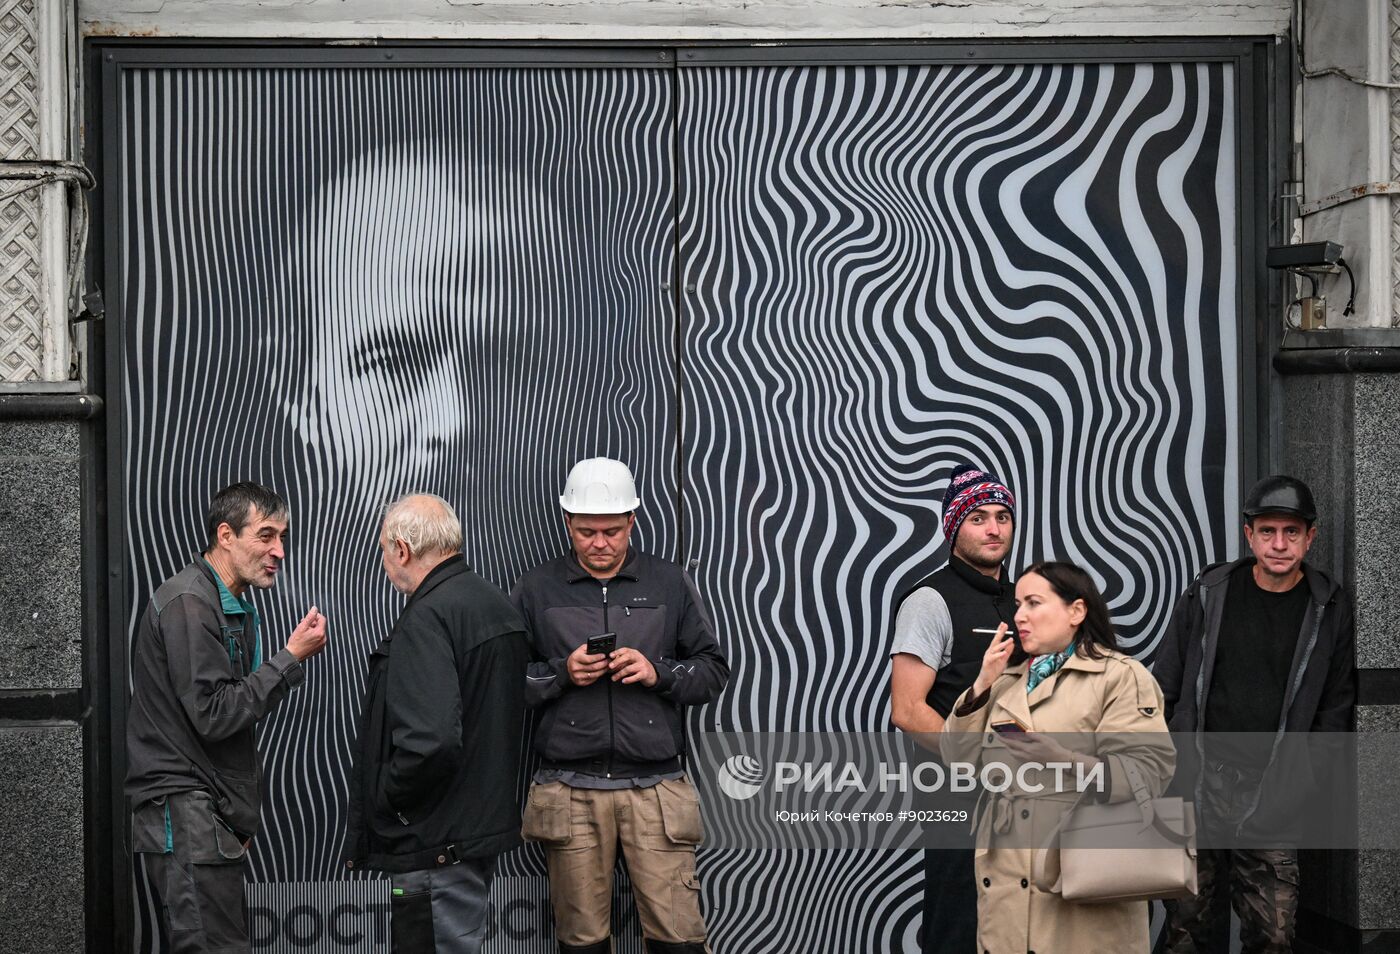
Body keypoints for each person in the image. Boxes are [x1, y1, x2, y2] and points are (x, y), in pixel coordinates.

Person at [513, 457, 730, 954]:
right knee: (582, 942)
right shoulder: (535, 588)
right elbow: (502, 684)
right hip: (569, 790)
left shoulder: (669, 583)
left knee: (679, 941)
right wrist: (562, 674)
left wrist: (659, 673)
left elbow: (713, 671)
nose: (600, 543)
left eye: (612, 530)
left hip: (655, 789)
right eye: (587, 532)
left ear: (632, 520)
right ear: (567, 522)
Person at [1153, 475, 1355, 954]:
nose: (1279, 545)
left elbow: (1336, 708)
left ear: (1311, 536)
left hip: (1272, 792)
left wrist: (1301, 781)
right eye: (1268, 532)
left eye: (1291, 533)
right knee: (1186, 929)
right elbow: (1166, 682)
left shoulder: (1328, 606)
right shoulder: (1211, 590)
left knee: (1274, 934)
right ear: (1249, 534)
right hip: (1197, 783)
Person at [125, 482, 328, 953]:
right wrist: (289, 658)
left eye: (282, 537)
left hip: (207, 815)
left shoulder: (228, 603)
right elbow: (215, 715)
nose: (279, 550)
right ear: (225, 535)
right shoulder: (190, 604)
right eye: (265, 535)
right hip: (187, 811)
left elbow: (226, 717)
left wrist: (235, 820)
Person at [941, 560, 1175, 954]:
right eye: (1017, 605)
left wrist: (1060, 758)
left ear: (1076, 611)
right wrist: (982, 682)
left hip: (1083, 886)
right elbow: (958, 760)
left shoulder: (1120, 676)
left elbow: (1148, 774)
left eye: (1034, 603)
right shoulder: (1005, 681)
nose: (1020, 616)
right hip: (1007, 897)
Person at [344, 493, 531, 953]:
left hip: (433, 842)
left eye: (384, 549)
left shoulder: (427, 617)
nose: (385, 560)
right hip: (469, 834)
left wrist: (389, 799)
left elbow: (430, 742)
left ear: (402, 550)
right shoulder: (493, 604)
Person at [889, 463, 1022, 954]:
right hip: (954, 797)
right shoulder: (929, 600)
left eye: (1002, 517)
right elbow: (906, 709)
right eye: (978, 518)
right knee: (959, 925)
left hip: (1025, 796)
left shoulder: (1023, 598)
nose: (993, 528)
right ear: (954, 527)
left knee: (1017, 926)